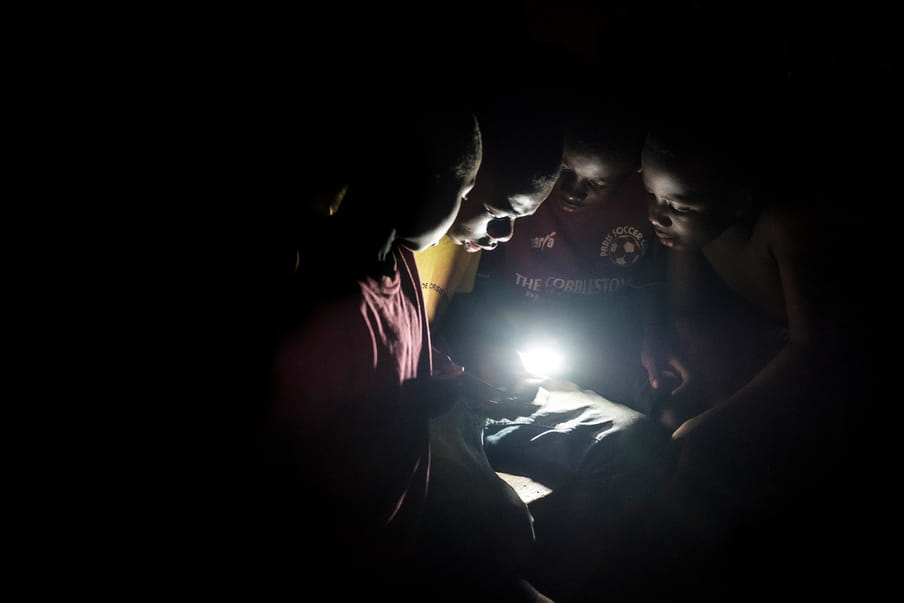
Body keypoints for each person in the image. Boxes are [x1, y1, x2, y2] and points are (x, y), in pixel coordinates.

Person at [181, 93, 484, 599]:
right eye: (463, 190)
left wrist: (438, 385)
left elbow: (394, 370)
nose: (461, 211)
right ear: (430, 188)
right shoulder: (322, 309)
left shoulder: (401, 266)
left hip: (380, 550)